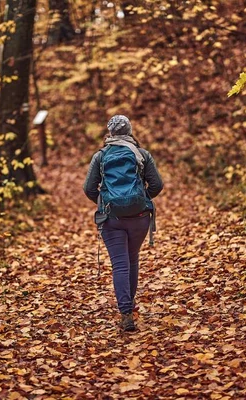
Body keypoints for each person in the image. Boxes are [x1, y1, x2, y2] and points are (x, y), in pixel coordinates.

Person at [83, 115, 164, 332]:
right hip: (139, 218)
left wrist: (106, 204)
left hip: (112, 219)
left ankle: (126, 312)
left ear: (110, 133)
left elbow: (89, 188)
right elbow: (157, 184)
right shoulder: (142, 154)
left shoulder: (100, 157)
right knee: (132, 260)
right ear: (129, 130)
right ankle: (129, 306)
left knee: (120, 264)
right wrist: (142, 198)